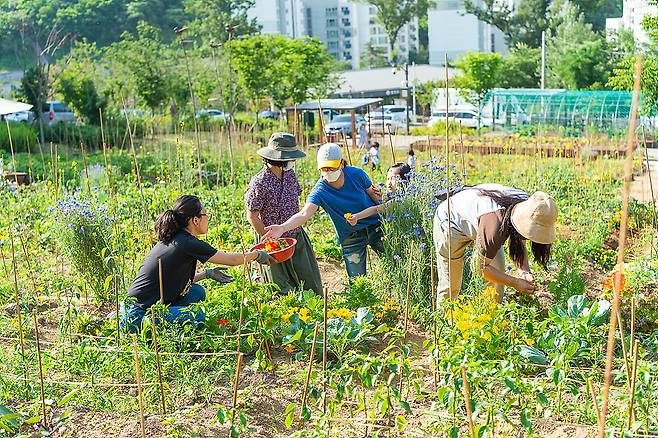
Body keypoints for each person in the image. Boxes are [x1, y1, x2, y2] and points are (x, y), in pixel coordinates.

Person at [122, 195, 274, 332]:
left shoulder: (176, 238)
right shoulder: (188, 243)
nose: (208, 219)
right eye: (205, 215)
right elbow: (231, 260)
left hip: (136, 309)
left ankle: (171, 319)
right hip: (138, 317)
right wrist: (257, 254)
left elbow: (173, 281)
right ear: (195, 220)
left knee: (196, 292)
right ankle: (167, 330)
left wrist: (206, 274)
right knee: (197, 316)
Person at [263, 143, 383, 278]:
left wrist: (388, 207)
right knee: (357, 281)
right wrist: (282, 227)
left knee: (395, 263)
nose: (328, 172)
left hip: (375, 227)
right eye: (324, 169)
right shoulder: (320, 191)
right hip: (351, 236)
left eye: (332, 167)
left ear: (342, 164)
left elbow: (375, 197)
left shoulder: (356, 174)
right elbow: (304, 214)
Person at [432, 184, 557, 302]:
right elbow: (479, 267)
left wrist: (524, 272)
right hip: (451, 220)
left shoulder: (532, 207)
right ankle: (445, 321)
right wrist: (514, 282)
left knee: (498, 270)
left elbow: (519, 243)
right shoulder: (495, 226)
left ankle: (492, 315)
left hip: (481, 219)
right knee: (451, 283)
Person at [244, 132, 323, 295]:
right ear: (279, 159)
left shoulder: (289, 175)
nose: (293, 161)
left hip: (295, 235)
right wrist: (270, 241)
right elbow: (252, 216)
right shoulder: (260, 182)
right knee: (280, 288)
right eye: (291, 158)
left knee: (309, 282)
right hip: (272, 242)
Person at [346, 162, 412, 225]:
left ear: (405, 180)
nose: (389, 182)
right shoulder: (395, 197)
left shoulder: (400, 201)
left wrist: (357, 216)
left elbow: (375, 209)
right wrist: (383, 196)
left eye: (393, 178)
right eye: (388, 179)